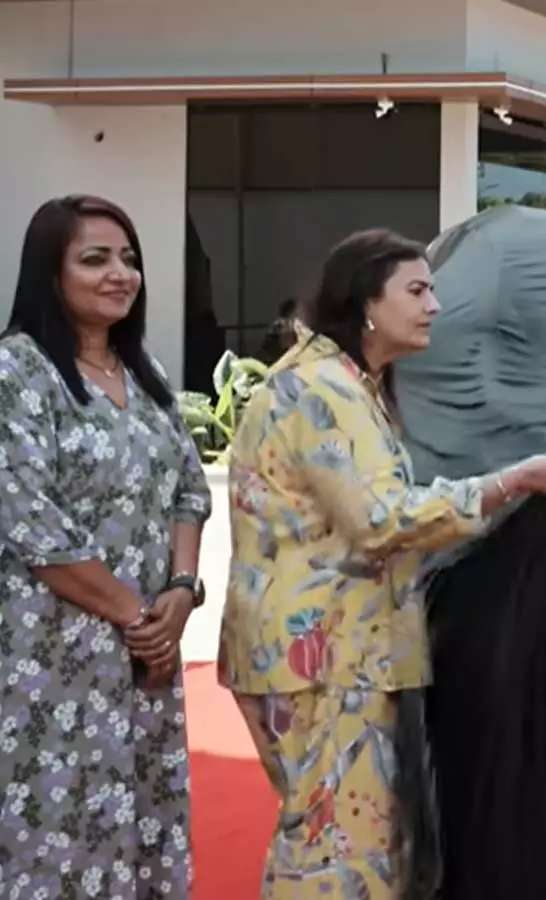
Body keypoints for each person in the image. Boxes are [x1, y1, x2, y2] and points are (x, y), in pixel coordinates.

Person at [218, 228, 546, 899]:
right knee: (333, 852)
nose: (433, 307)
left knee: (342, 840)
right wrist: (514, 481)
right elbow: (381, 520)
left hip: (331, 650)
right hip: (324, 657)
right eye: (416, 291)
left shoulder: (345, 383)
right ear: (366, 302)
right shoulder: (324, 390)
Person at [0, 194, 213, 897]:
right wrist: (137, 617)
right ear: (49, 274)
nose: (120, 273)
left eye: (128, 259)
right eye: (95, 259)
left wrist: (180, 593)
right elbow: (31, 520)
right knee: (57, 833)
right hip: (52, 656)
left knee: (143, 817)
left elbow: (190, 490)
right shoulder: (16, 373)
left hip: (145, 655)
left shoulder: (142, 372)